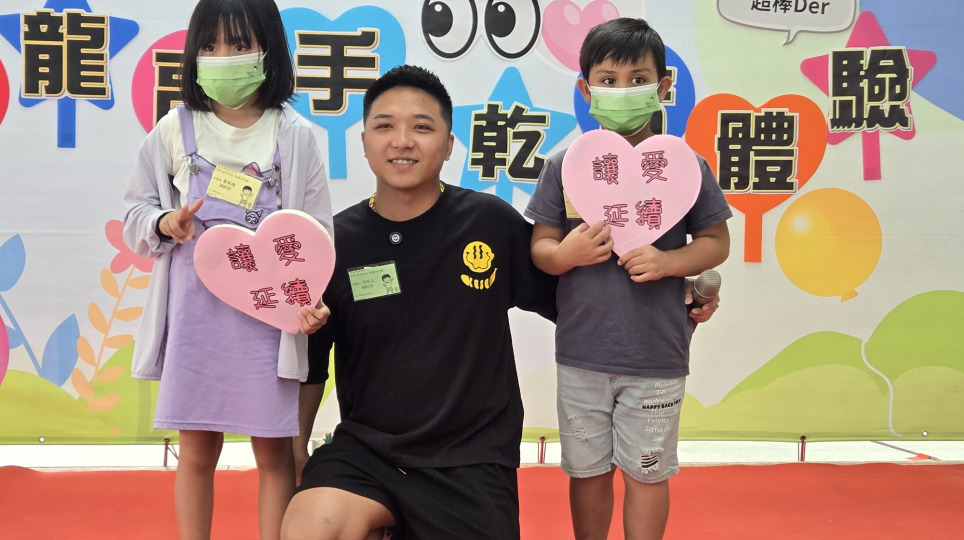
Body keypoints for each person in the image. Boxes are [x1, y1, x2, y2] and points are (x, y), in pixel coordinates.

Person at [280, 65, 558, 540]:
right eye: (385, 126)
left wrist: (673, 305)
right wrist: (296, 450)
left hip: (471, 459)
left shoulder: (488, 221)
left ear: (448, 145)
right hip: (366, 454)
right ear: (364, 141)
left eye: (422, 127)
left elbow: (571, 301)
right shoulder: (333, 243)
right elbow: (312, 364)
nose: (402, 141)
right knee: (311, 526)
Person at [122, 1, 333, 539]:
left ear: (269, 51)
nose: (223, 57)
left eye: (239, 46)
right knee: (196, 450)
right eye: (210, 46)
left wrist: (309, 300)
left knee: (274, 452)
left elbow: (316, 232)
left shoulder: (295, 135)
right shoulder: (174, 129)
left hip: (268, 318)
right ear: (193, 55)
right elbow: (135, 213)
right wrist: (166, 221)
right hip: (196, 319)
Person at [523, 18, 732, 540]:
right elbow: (541, 249)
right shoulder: (564, 166)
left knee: (647, 472)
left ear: (663, 87)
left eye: (638, 79)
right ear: (586, 89)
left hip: (656, 353)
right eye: (608, 80)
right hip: (582, 352)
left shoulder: (685, 166)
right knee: (586, 471)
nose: (623, 91)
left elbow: (716, 242)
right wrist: (565, 253)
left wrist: (669, 261)